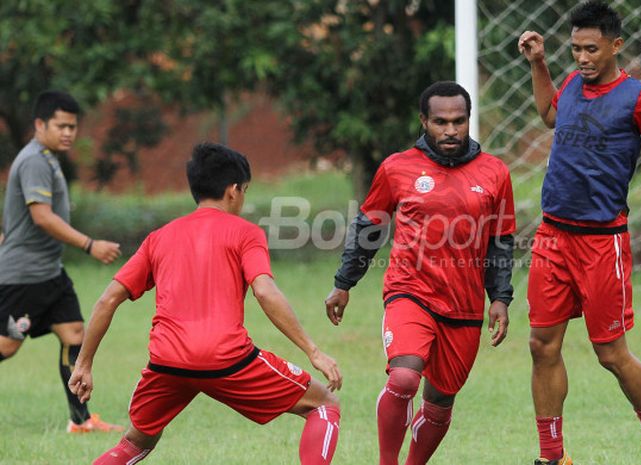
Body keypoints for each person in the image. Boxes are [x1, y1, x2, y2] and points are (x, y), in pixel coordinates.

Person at [68, 142, 342, 465]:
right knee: (323, 405)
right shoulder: (246, 233)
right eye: (245, 191)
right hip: (227, 360)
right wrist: (313, 351)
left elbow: (107, 299)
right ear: (234, 190)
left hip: (167, 361)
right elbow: (265, 292)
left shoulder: (160, 236)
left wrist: (84, 363)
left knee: (135, 442)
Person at [518, 2, 641, 464]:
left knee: (611, 354)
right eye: (575, 49)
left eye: (591, 49)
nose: (581, 58)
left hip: (603, 243)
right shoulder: (574, 87)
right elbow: (548, 115)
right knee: (542, 345)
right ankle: (552, 456)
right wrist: (539, 63)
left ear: (615, 46)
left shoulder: (640, 97)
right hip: (553, 236)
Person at [324, 81, 517, 465]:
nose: (450, 130)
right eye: (441, 121)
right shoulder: (398, 168)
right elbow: (369, 228)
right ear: (424, 121)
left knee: (441, 400)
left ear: (468, 120)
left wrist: (499, 297)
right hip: (409, 291)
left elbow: (501, 240)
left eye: (459, 121)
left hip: (463, 305)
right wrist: (344, 284)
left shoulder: (495, 173)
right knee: (404, 377)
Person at [0, 90, 123, 433]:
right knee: (6, 346)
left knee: (74, 333)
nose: (68, 132)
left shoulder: (46, 156)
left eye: (73, 126)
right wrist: (90, 244)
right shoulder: (36, 160)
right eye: (61, 125)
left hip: (49, 274)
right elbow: (41, 216)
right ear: (40, 124)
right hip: (24, 277)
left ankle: (81, 421)